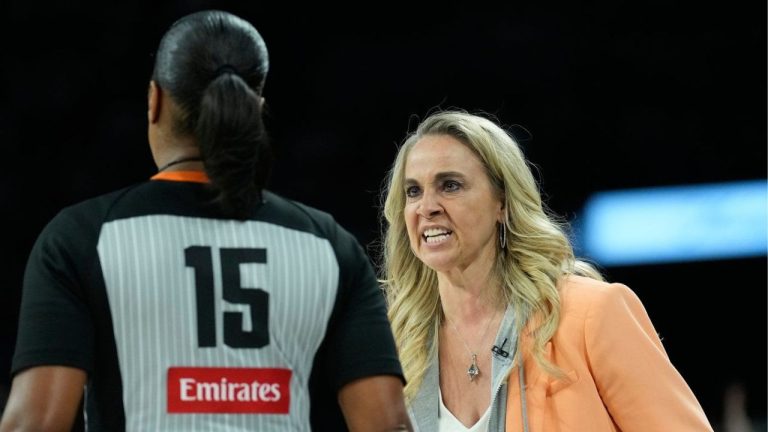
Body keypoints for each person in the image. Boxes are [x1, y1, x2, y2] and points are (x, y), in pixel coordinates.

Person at [1, 10, 410, 431]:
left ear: (154, 100)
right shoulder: (330, 245)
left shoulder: (82, 239)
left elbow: (35, 424)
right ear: (257, 107)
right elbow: (386, 424)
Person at [379, 110, 714, 431]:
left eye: (450, 185)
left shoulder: (589, 314)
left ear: (503, 203)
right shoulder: (399, 347)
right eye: (413, 191)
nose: (427, 207)